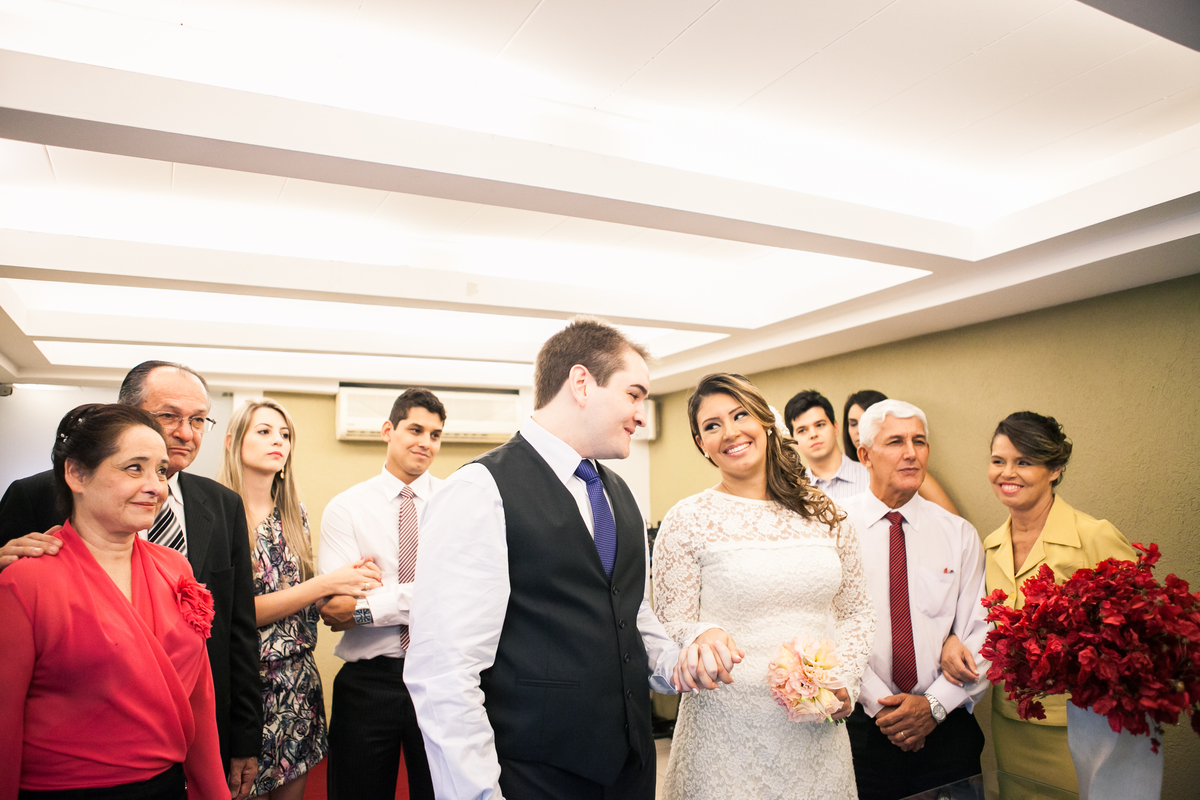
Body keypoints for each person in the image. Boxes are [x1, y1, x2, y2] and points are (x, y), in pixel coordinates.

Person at [405, 317, 739, 800]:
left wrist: (678, 664)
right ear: (581, 382)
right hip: (531, 777)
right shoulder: (479, 490)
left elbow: (627, 612)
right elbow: (444, 673)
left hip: (631, 772)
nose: (642, 414)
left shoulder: (619, 492)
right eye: (634, 394)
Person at [0, 361, 263, 800]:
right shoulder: (29, 556)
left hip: (170, 770)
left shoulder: (185, 554)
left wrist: (229, 756)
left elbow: (234, 634)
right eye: (134, 468)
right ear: (77, 474)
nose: (185, 432)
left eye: (198, 420)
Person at [654, 374, 875, 799]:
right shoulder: (688, 519)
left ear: (766, 422)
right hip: (726, 732)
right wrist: (701, 634)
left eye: (740, 415)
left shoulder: (826, 512)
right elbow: (670, 620)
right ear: (701, 443)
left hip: (815, 730)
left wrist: (843, 678)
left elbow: (857, 612)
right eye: (712, 425)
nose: (731, 432)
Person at [939, 412, 1134, 793]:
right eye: (998, 461)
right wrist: (950, 640)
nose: (1006, 473)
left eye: (1023, 462)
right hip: (1012, 726)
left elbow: (1139, 637)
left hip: (1083, 729)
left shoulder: (1094, 536)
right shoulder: (990, 547)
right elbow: (974, 623)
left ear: (1055, 469)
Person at [218, 399, 382, 799]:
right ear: (232, 441)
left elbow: (302, 596)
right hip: (245, 684)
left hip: (298, 682)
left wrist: (349, 578)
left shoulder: (294, 514)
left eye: (286, 434)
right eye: (265, 431)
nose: (279, 441)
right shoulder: (219, 514)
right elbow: (235, 612)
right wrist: (328, 582)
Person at [841, 399, 989, 800]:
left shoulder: (959, 535)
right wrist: (884, 707)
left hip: (947, 730)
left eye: (919, 441)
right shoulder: (831, 529)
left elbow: (981, 632)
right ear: (865, 455)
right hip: (860, 729)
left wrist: (933, 707)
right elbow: (826, 628)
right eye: (896, 442)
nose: (911, 453)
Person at [316, 388, 447, 800]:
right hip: (369, 683)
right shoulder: (346, 508)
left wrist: (376, 600)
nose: (425, 442)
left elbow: (462, 601)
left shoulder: (457, 504)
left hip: (441, 677)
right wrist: (428, 596)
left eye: (436, 434)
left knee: (441, 792)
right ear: (388, 430)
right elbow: (336, 612)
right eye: (415, 429)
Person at [843, 389, 960, 515]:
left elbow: (950, 517)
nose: (860, 430)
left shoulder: (909, 470)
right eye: (853, 424)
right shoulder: (846, 472)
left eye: (867, 422)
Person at [784, 389, 869, 501]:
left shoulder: (871, 476)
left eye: (819, 425)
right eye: (802, 430)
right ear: (793, 440)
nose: (813, 434)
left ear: (835, 427)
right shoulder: (793, 493)